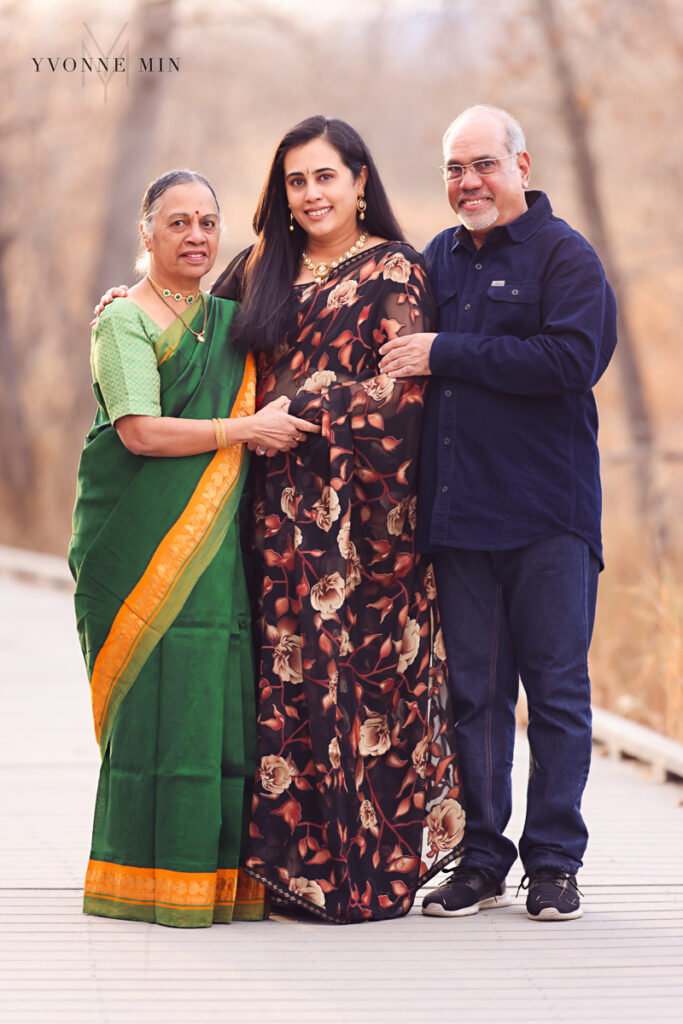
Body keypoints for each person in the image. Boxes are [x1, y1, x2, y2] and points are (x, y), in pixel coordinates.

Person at [212, 115, 464, 923]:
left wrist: (305, 402)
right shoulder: (258, 268)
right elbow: (191, 341)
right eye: (296, 180)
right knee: (284, 684)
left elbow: (403, 394)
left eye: (326, 176)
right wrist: (132, 296)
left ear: (360, 181)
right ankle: (292, 874)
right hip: (274, 517)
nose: (312, 193)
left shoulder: (395, 268)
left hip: (367, 528)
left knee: (366, 696)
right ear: (279, 194)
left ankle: (368, 878)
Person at [380, 104, 617, 921]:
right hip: (460, 516)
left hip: (549, 514)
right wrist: (163, 292)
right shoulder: (437, 259)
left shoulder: (564, 256)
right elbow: (344, 300)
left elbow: (570, 359)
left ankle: (553, 863)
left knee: (554, 693)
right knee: (474, 697)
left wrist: (446, 352)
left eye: (481, 164)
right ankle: (481, 858)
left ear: (521, 165)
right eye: (453, 168)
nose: (467, 181)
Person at [69, 169, 318, 927]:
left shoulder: (230, 316)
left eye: (208, 222)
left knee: (210, 698)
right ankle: (139, 878)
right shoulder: (125, 322)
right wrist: (243, 430)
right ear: (145, 231)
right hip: (136, 538)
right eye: (176, 222)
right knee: (152, 703)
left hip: (211, 547)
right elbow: (140, 432)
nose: (195, 236)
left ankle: (214, 881)